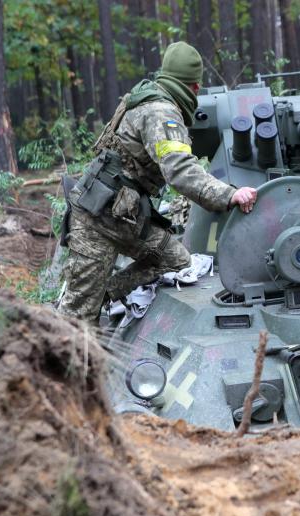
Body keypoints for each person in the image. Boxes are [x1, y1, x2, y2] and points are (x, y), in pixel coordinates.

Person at [57, 42, 257, 322]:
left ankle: (100, 292)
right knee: (76, 320)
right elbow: (180, 170)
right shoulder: (161, 112)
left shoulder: (144, 98)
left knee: (176, 262)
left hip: (121, 215)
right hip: (98, 220)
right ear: (194, 87)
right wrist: (228, 195)